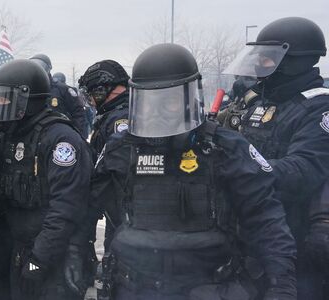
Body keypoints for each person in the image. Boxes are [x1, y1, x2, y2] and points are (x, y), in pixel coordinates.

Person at [86, 43, 296, 300]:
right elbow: (85, 208)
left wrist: (281, 284)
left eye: (170, 103)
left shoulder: (225, 148)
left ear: (190, 98)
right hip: (134, 284)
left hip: (209, 285)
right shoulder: (120, 148)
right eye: (150, 103)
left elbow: (266, 220)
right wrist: (74, 256)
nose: (159, 112)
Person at [223, 16, 329, 299]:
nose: (260, 65)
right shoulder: (261, 102)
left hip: (296, 236)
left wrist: (242, 171)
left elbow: (303, 169)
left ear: (294, 61)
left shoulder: (319, 108)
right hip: (253, 229)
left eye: (267, 60)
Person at [0, 59, 93, 299]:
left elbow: (66, 208)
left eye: (4, 98)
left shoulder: (60, 139)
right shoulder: (9, 134)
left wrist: (40, 259)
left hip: (55, 253)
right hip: (21, 246)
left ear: (25, 101)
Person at [78, 60, 131, 155]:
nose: (91, 102)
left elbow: (117, 165)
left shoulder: (120, 119)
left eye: (90, 96)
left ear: (101, 91)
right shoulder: (113, 114)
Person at [30, 54, 88, 137]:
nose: (38, 69)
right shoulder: (29, 89)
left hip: (61, 135)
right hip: (36, 136)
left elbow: (78, 113)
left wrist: (79, 136)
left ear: (49, 69)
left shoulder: (63, 89)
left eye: (41, 66)